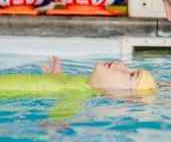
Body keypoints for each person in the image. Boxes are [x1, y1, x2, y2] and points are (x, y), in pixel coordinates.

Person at [0, 56, 157, 95]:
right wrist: (56, 75)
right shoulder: (83, 83)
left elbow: (61, 115)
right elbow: (63, 86)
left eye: (130, 75)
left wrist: (55, 126)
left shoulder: (80, 95)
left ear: (120, 93)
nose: (122, 65)